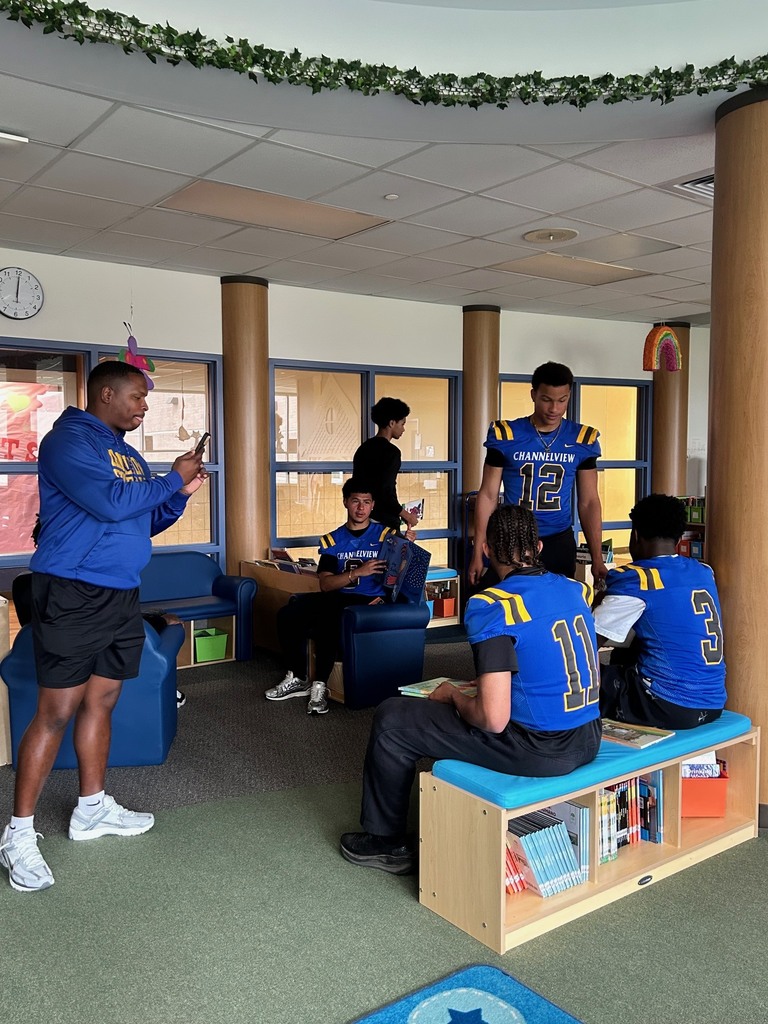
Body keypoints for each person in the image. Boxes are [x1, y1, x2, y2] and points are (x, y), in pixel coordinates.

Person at [0, 360, 207, 893]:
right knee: (56, 711)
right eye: (137, 397)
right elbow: (109, 504)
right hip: (72, 590)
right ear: (106, 394)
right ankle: (17, 833)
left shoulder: (128, 455)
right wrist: (170, 478)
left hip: (120, 593)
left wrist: (178, 495)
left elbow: (145, 518)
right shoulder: (68, 441)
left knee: (103, 699)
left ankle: (91, 809)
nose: (144, 406)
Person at [340, 504, 602, 874]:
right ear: (539, 547)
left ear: (487, 549)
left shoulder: (493, 605)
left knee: (391, 719)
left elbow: (492, 720)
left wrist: (452, 695)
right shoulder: (576, 589)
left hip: (540, 749)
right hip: (589, 736)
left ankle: (386, 843)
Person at [265, 478, 404, 715]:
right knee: (288, 613)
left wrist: (406, 547)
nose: (361, 508)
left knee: (329, 616)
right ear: (345, 502)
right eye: (356, 501)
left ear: (373, 506)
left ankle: (320, 685)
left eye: (366, 502)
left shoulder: (386, 536)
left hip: (370, 600)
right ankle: (298, 677)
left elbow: (400, 572)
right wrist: (357, 572)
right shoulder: (334, 540)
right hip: (339, 596)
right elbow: (326, 584)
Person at [469, 361, 606, 588]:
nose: (554, 409)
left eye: (562, 400)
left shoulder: (582, 439)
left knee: (557, 601)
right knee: (506, 600)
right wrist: (478, 552)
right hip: (512, 538)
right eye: (546, 399)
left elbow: (589, 501)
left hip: (559, 538)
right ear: (533, 395)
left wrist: (597, 558)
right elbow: (488, 495)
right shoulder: (506, 435)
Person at [594, 493, 726, 729]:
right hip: (714, 702)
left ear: (635, 535)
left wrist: (598, 600)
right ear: (679, 538)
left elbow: (585, 641)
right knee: (629, 653)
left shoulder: (639, 579)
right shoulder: (703, 571)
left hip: (668, 704)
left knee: (576, 678)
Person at [353, 397, 420, 532]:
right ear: (391, 423)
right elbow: (386, 492)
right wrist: (407, 515)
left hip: (362, 518)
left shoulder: (363, 449)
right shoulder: (392, 452)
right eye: (402, 424)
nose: (403, 429)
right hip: (384, 522)